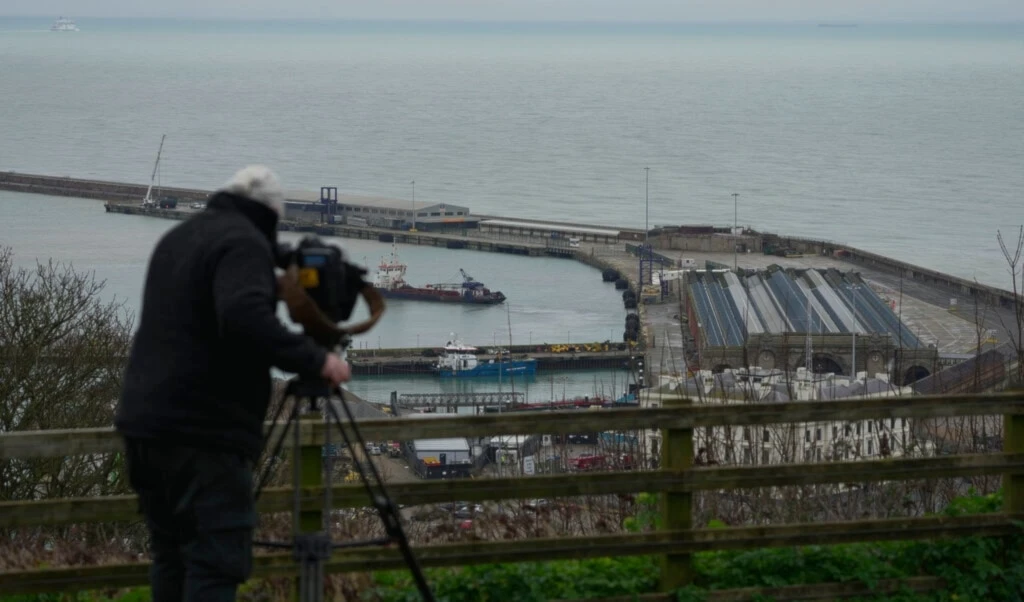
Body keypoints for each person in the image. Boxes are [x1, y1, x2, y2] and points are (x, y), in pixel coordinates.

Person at [114, 165, 351, 602]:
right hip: (203, 433)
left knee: (173, 556)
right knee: (216, 561)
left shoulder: (182, 238)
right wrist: (318, 361)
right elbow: (243, 319)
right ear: (272, 213)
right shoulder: (243, 245)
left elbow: (215, 301)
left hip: (145, 428)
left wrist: (271, 272)